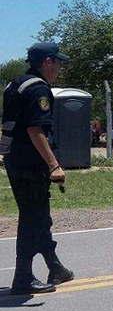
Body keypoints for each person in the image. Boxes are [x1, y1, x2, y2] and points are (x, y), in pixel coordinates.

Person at [0, 42, 74, 294]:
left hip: (14, 158)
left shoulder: (15, 83)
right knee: (32, 218)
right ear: (47, 62)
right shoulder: (38, 89)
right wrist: (54, 165)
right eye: (58, 63)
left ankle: (55, 267)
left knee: (39, 216)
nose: (60, 69)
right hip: (31, 162)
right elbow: (35, 129)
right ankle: (23, 278)